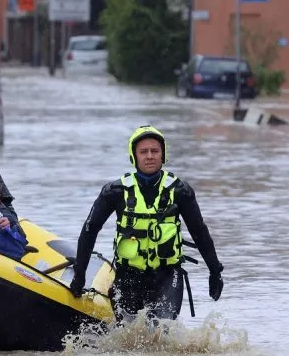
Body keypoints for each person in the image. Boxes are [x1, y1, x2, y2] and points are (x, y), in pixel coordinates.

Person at [67, 125, 224, 323]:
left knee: (160, 329)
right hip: (128, 277)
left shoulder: (180, 191)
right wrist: (79, 275)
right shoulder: (114, 191)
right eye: (143, 152)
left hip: (167, 276)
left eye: (155, 151)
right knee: (128, 333)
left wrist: (215, 271)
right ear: (134, 156)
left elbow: (199, 232)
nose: (149, 156)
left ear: (163, 155)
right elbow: (90, 231)